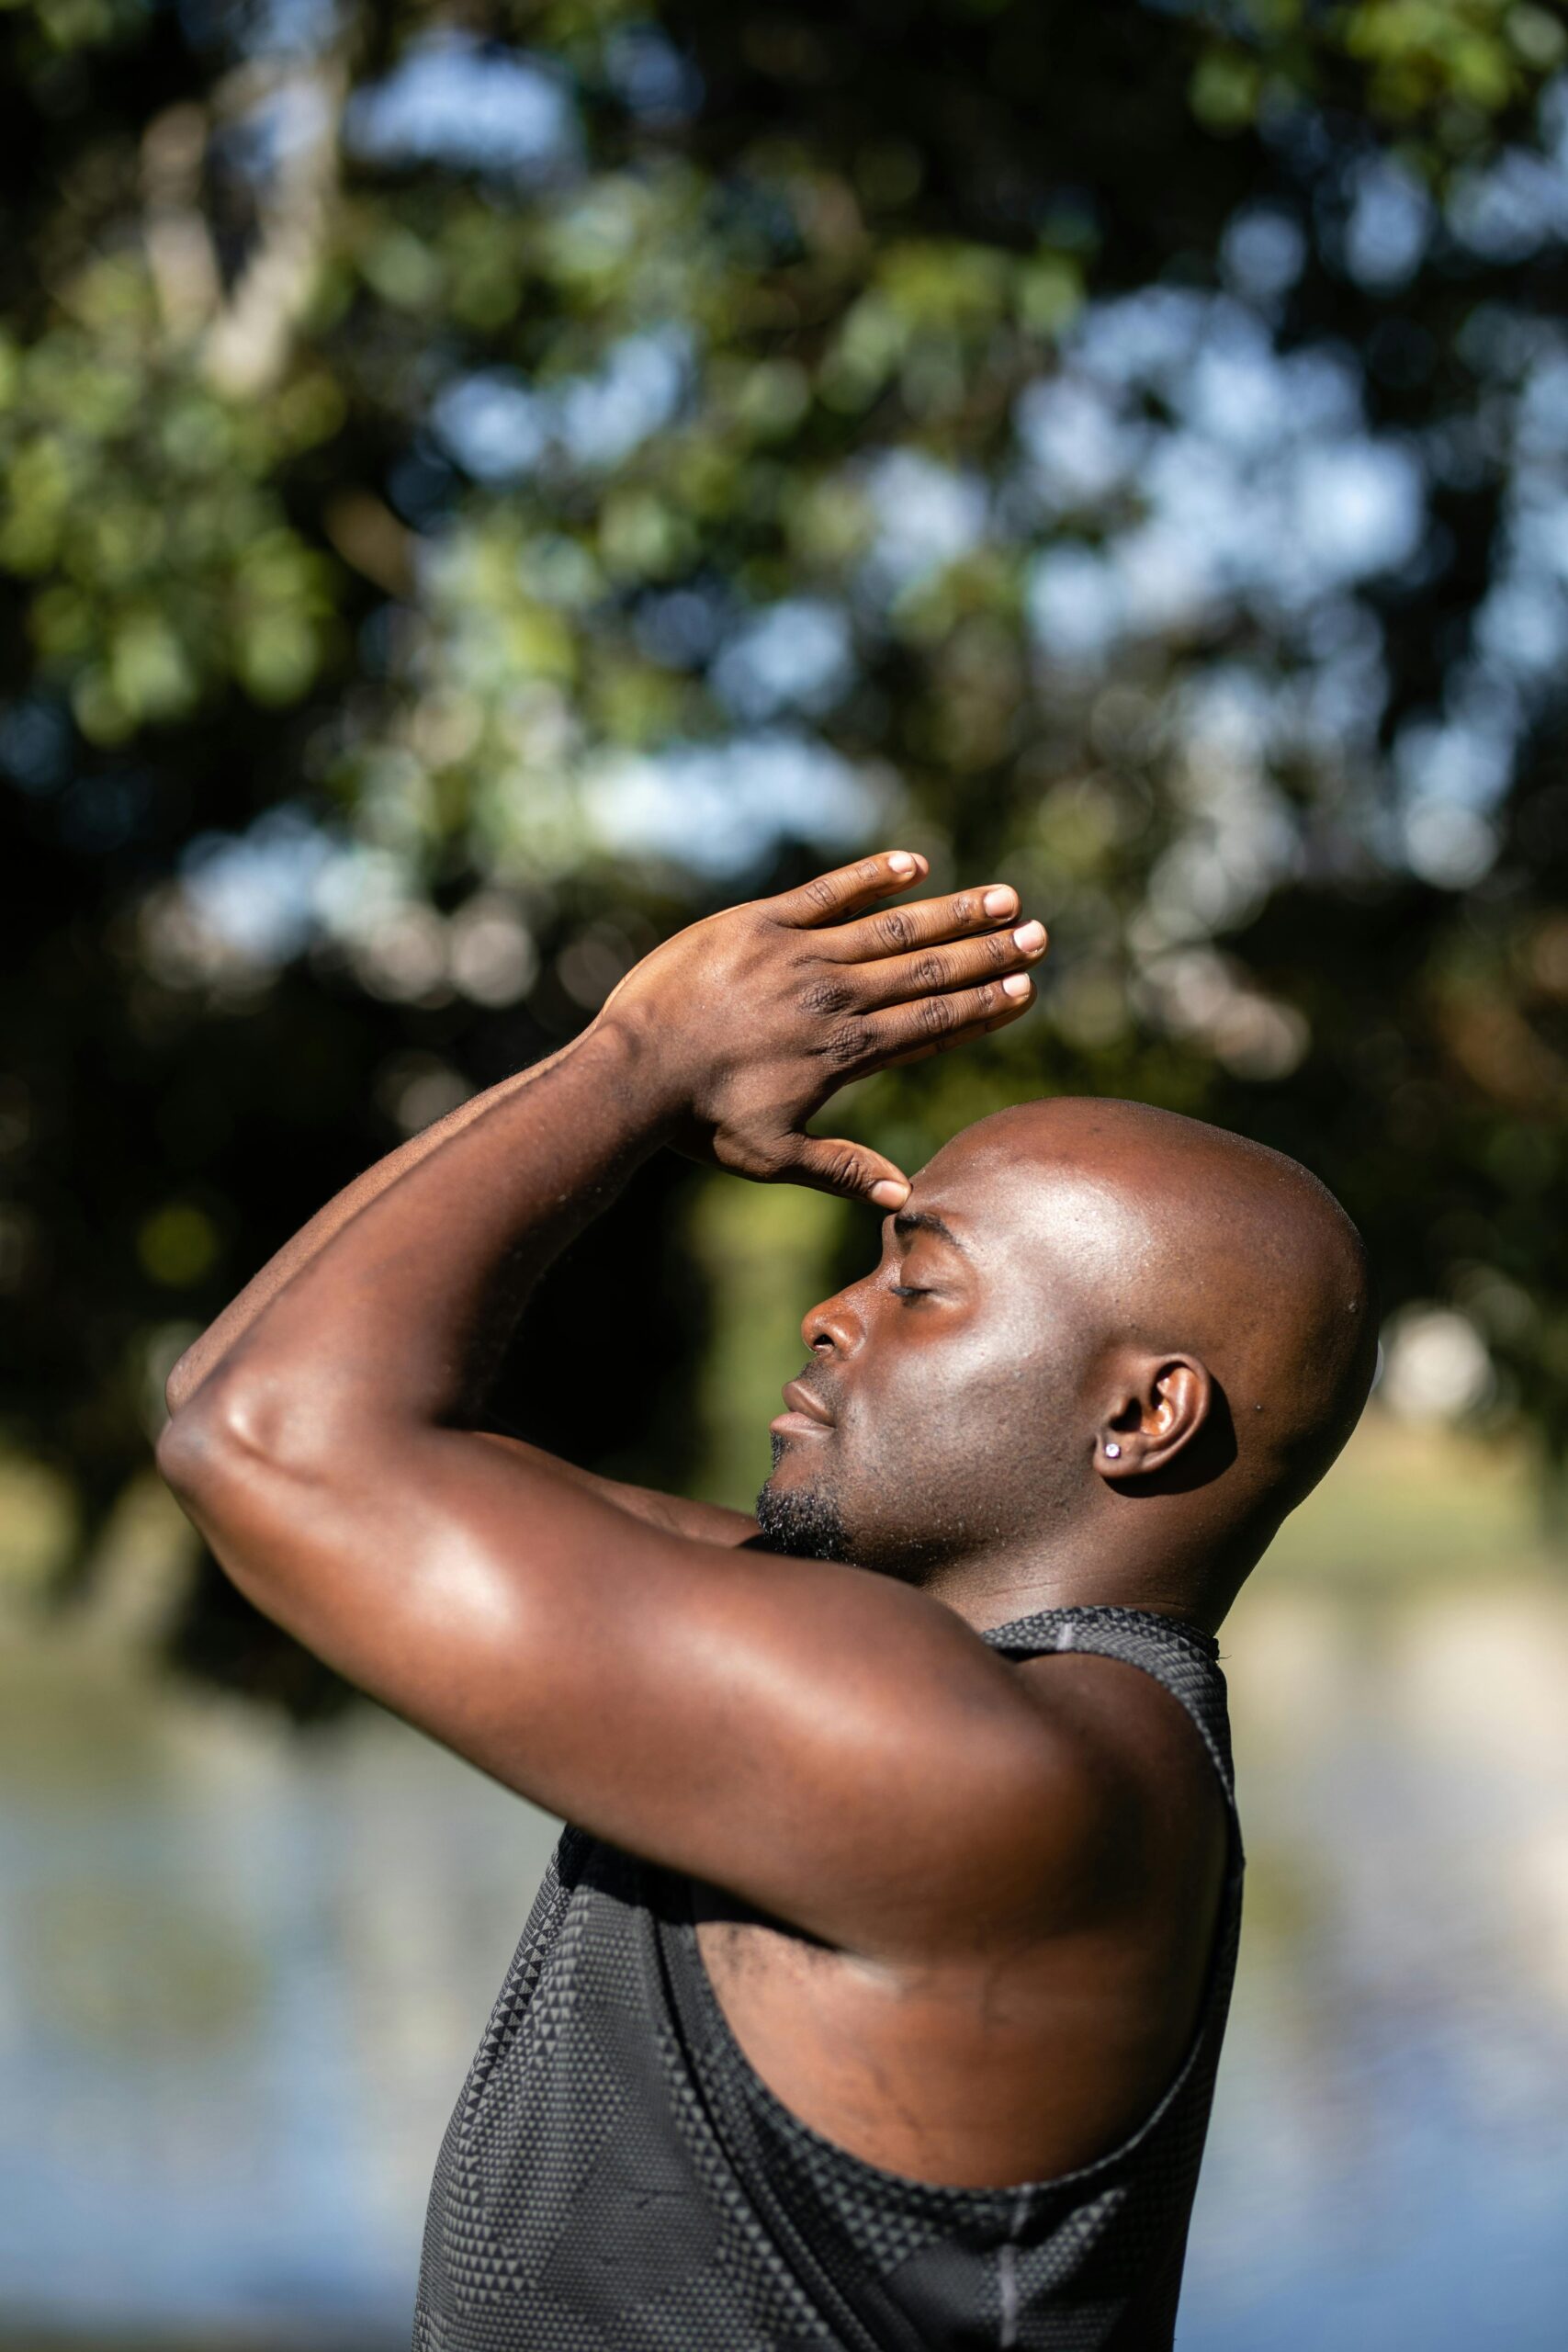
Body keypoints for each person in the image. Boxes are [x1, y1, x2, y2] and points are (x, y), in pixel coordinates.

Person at [156, 849, 1375, 2350]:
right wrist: (622, 1059)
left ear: (1142, 1418)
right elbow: (244, 1397)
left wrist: (641, 1060)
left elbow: (270, 1442)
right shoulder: (895, 1671)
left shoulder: (996, 1769)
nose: (830, 1310)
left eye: (920, 1286)